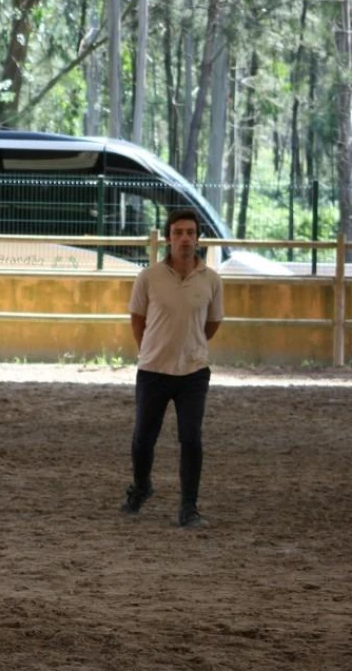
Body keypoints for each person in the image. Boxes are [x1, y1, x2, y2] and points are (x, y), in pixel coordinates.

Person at [120, 208, 223, 529]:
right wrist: (153, 349)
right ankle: (141, 486)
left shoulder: (212, 280)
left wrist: (190, 347)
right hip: (152, 370)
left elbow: (212, 323)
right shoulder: (148, 277)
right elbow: (137, 320)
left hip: (193, 373)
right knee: (143, 439)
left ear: (198, 238)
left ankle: (188, 507)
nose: (184, 239)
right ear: (168, 239)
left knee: (191, 438)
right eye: (178, 233)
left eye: (190, 233)